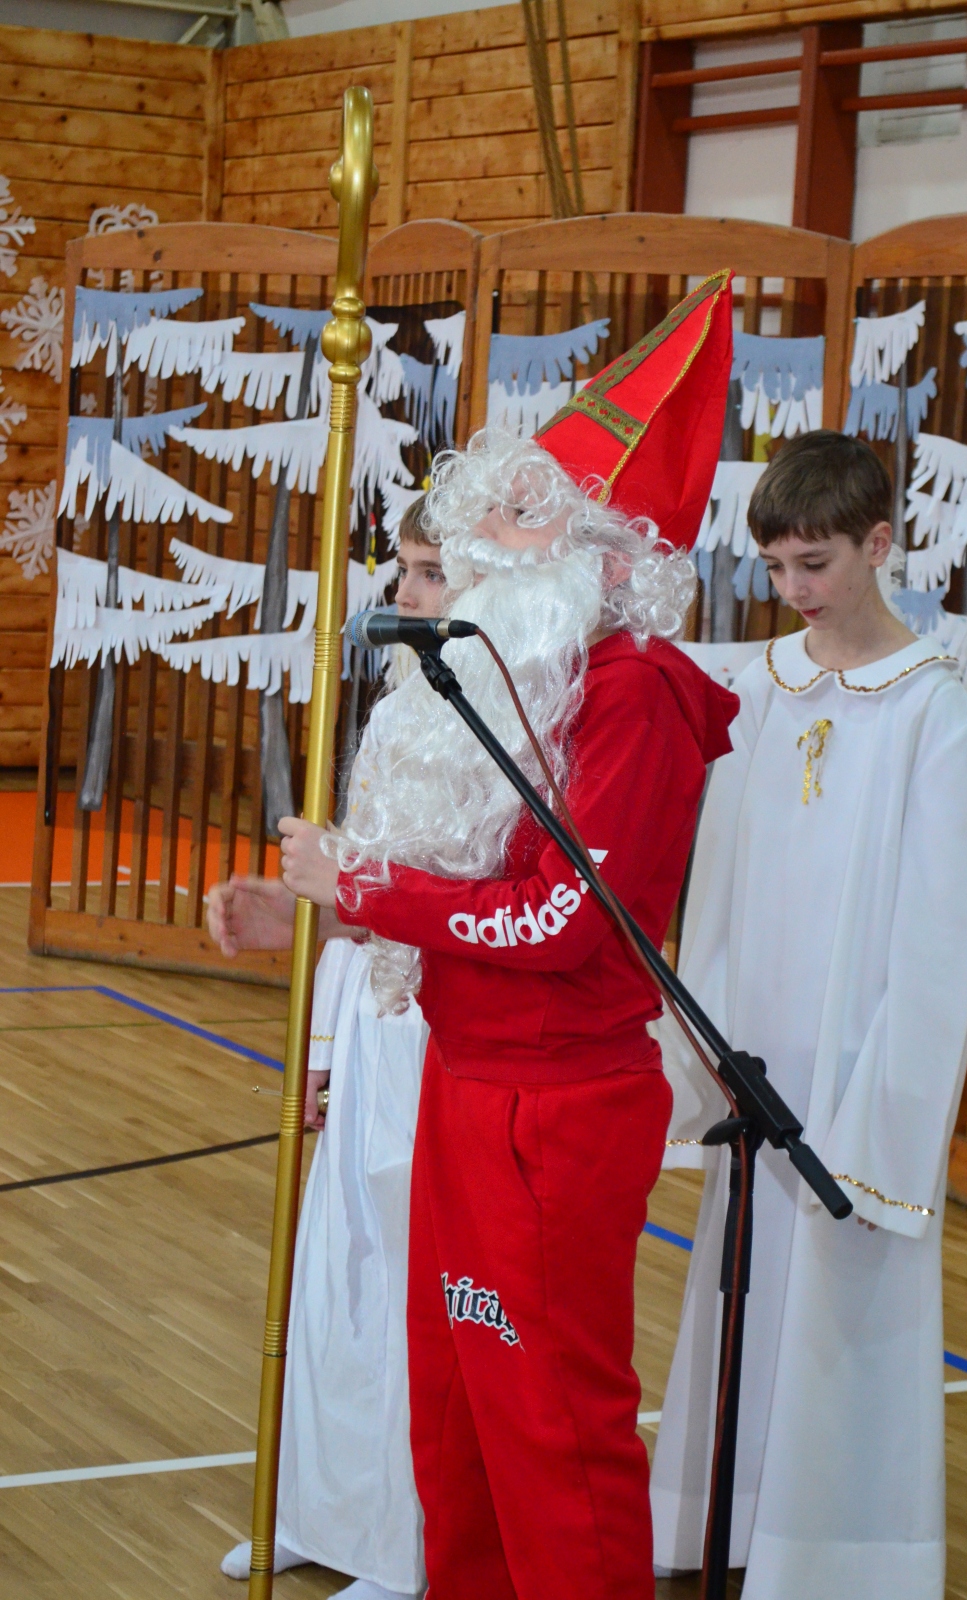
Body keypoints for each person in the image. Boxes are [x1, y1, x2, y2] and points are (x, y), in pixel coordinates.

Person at [207, 271, 737, 1600]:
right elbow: (462, 884)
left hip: (555, 1110)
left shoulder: (633, 701)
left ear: (599, 559)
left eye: (514, 527)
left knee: (549, 1424)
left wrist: (366, 888)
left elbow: (560, 920)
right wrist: (318, 911)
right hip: (466, 1082)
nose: (477, 551)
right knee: (458, 1415)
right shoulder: (528, 687)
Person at [650, 430, 967, 1600]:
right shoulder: (759, 687)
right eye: (775, 566)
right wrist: (703, 1048)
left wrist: (883, 1113)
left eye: (814, 563)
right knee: (744, 1295)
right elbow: (717, 881)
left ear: (878, 543)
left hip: (856, 1070)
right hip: (758, 1054)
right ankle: (730, 1524)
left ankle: (838, 1559)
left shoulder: (933, 713)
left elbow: (939, 937)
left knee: (840, 1316)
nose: (791, 588)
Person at [216, 500, 442, 1600]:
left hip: (438, 1027)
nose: (404, 594)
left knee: (403, 1280)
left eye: (430, 572)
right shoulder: (398, 709)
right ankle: (319, 1508)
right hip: (368, 1015)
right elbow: (350, 886)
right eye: (403, 568)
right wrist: (315, 1036)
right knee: (333, 1273)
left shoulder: (504, 725)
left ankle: (402, 1541)